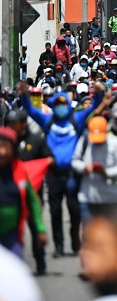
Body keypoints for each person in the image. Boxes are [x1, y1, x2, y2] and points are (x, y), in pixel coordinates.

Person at [18, 81, 107, 258]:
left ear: (68, 104)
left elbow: (94, 108)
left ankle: (75, 235)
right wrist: (23, 95)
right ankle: (59, 245)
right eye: (57, 104)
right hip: (53, 175)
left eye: (63, 104)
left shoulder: (76, 118)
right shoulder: (47, 120)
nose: (60, 107)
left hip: (73, 174)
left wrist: (98, 93)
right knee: (55, 211)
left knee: (75, 210)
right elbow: (30, 109)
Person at [7, 109, 53, 274]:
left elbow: (48, 157)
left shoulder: (37, 140)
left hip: (33, 193)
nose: (11, 126)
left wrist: (47, 163)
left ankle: (40, 262)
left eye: (14, 123)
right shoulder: (5, 142)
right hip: (10, 196)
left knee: (35, 228)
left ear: (24, 124)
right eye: (9, 123)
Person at [0, 127, 47, 258]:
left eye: (5, 146)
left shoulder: (20, 170)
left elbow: (32, 201)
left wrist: (40, 229)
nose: (2, 152)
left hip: (13, 236)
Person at [71, 116, 117, 223]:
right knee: (89, 235)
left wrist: (106, 172)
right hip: (87, 197)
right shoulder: (84, 141)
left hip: (110, 199)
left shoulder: (116, 143)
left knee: (110, 236)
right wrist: (84, 167)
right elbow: (74, 161)